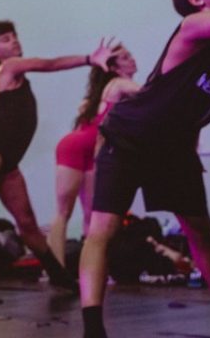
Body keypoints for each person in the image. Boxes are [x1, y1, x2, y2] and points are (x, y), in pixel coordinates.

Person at [80, 0, 210, 338]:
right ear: (196, 0)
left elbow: (195, 104)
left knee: (201, 231)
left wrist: (189, 148)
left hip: (174, 147)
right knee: (103, 228)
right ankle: (92, 328)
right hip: (131, 136)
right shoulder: (193, 25)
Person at [0, 20, 117, 306]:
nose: (14, 41)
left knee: (27, 222)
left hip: (7, 157)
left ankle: (58, 276)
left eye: (14, 36)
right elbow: (48, 64)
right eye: (5, 39)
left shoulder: (15, 73)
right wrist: (89, 59)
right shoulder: (9, 67)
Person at [48, 47, 139, 264]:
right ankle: (56, 269)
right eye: (125, 57)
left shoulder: (102, 94)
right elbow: (150, 94)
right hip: (74, 147)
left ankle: (91, 270)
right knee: (63, 212)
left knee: (93, 214)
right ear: (113, 67)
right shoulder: (119, 84)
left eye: (130, 55)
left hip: (94, 153)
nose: (132, 59)